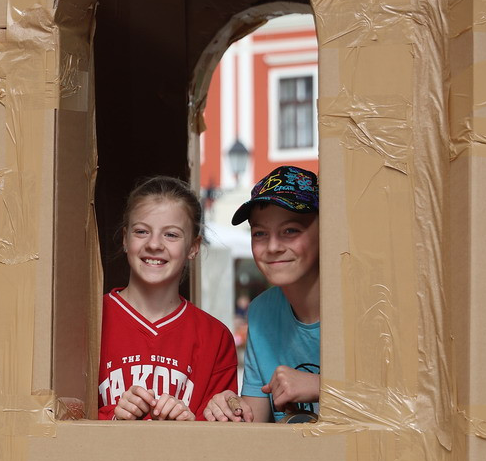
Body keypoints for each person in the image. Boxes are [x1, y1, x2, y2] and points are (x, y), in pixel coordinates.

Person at [98, 176, 239, 421]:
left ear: (193, 247)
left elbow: (221, 433)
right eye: (141, 231)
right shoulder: (90, 320)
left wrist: (187, 426)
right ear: (125, 239)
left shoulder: (216, 338)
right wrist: (113, 417)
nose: (154, 244)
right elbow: (60, 416)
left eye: (171, 235)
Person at [204, 165, 320, 423]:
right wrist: (229, 407)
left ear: (324, 232)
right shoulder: (261, 311)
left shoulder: (360, 304)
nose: (273, 246)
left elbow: (401, 399)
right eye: (260, 234)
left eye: (291, 230)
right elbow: (253, 424)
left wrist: (322, 386)